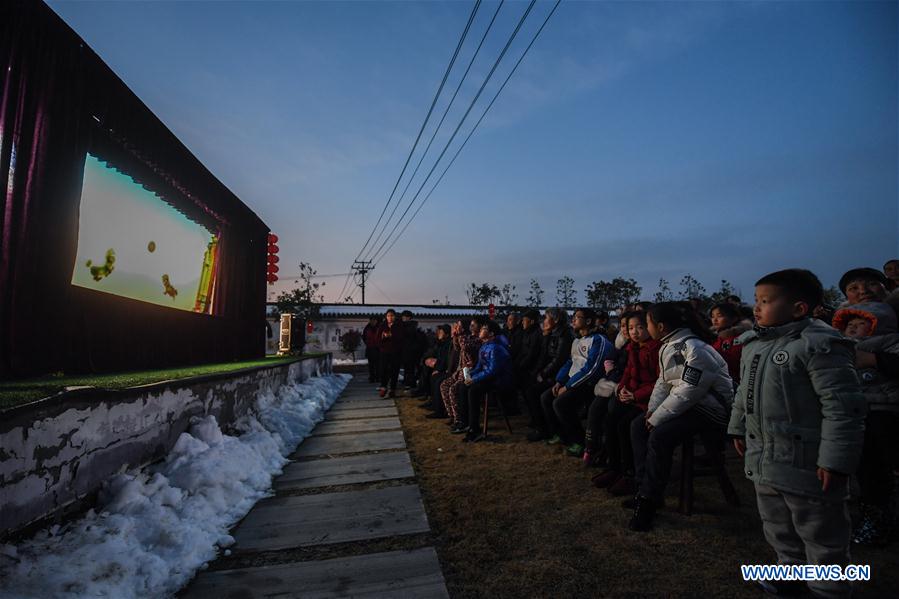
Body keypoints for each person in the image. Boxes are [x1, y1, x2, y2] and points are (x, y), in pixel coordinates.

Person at [728, 269, 866, 598]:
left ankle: (828, 588)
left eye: (766, 301)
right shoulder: (754, 345)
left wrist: (835, 461)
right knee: (777, 525)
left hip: (808, 462)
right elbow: (743, 392)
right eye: (756, 300)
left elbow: (843, 408)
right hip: (766, 458)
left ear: (799, 308)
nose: (756, 308)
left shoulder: (820, 345)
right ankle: (788, 573)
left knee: (821, 530)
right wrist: (737, 426)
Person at [628, 302, 733, 532]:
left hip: (710, 410)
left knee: (660, 436)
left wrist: (657, 419)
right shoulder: (669, 345)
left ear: (661, 326)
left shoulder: (695, 349)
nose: (646, 328)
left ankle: (648, 502)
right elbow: (664, 382)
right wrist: (652, 410)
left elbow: (689, 391)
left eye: (647, 323)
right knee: (638, 426)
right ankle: (643, 488)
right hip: (690, 406)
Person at [832, 302, 899, 545]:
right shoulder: (838, 347)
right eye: (851, 325)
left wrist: (875, 360)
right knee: (867, 468)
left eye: (862, 325)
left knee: (885, 464)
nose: (854, 329)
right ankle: (875, 517)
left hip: (886, 411)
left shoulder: (889, 342)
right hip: (853, 413)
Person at [591, 311, 661, 496]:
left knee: (625, 426)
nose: (635, 332)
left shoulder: (656, 349)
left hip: (648, 400)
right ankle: (615, 467)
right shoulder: (632, 348)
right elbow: (628, 373)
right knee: (609, 420)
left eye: (640, 327)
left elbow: (660, 382)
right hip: (632, 395)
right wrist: (621, 388)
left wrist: (635, 395)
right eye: (631, 328)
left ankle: (630, 474)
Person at [541, 308, 615, 456]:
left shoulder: (599, 340)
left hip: (589, 384)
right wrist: (559, 381)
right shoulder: (577, 340)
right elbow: (570, 362)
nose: (573, 320)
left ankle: (580, 442)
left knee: (560, 403)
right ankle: (563, 436)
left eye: (577, 317)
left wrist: (567, 387)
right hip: (573, 381)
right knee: (546, 397)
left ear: (588, 321)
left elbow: (591, 369)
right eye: (573, 317)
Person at [460, 320, 514, 442]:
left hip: (498, 381)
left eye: (484, 328)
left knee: (473, 390)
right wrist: (469, 375)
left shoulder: (496, 348)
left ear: (491, 333)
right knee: (463, 386)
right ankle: (465, 423)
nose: (480, 330)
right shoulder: (484, 346)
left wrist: (474, 379)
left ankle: (475, 429)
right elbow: (479, 366)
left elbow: (492, 370)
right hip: (489, 378)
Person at [525, 308, 574, 442]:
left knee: (535, 393)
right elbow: (546, 357)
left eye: (546, 318)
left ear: (556, 320)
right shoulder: (553, 334)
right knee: (530, 389)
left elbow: (559, 360)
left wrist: (543, 374)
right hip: (553, 374)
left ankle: (545, 430)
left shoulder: (565, 335)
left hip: (561, 377)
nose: (544, 321)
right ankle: (543, 427)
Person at [442, 317, 485, 433]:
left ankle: (460, 420)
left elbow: (466, 347)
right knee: (444, 385)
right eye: (470, 325)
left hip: (470, 373)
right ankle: (453, 416)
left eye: (473, 325)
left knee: (453, 389)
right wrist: (455, 335)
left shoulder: (478, 340)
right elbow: (457, 348)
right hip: (461, 371)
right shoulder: (467, 337)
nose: (471, 327)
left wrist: (460, 334)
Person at [709, 302, 752, 384]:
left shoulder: (742, 338)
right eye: (712, 316)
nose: (715, 320)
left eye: (719, 316)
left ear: (734, 318)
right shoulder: (713, 337)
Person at [419, 324, 453, 416]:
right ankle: (431, 400)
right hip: (440, 366)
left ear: (446, 334)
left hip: (446, 368)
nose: (439, 334)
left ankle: (439, 409)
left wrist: (438, 368)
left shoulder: (448, 344)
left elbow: (446, 359)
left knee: (436, 379)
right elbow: (437, 355)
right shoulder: (440, 343)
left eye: (441, 332)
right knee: (428, 371)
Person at [376, 309, 404, 398]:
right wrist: (383, 336)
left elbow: (401, 337)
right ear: (386, 317)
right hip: (384, 351)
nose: (390, 318)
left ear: (395, 317)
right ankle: (383, 387)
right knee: (383, 369)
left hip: (396, 352)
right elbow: (377, 338)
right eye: (388, 316)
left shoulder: (399, 325)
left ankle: (392, 389)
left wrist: (392, 335)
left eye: (392, 316)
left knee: (394, 370)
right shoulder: (382, 326)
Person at [400, 310, 426, 389]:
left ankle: (410, 383)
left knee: (410, 368)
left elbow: (410, 337)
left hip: (411, 351)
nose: (403, 318)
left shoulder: (410, 326)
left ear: (408, 317)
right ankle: (407, 381)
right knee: (408, 368)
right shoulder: (412, 325)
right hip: (408, 350)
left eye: (404, 317)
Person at [363, 316, 381, 383]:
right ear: (370, 321)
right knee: (371, 365)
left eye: (374, 320)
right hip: (370, 349)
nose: (373, 322)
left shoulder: (379, 328)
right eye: (372, 320)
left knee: (378, 365)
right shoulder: (367, 328)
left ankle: (378, 377)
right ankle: (372, 377)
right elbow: (364, 337)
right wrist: (368, 344)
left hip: (378, 349)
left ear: (376, 321)